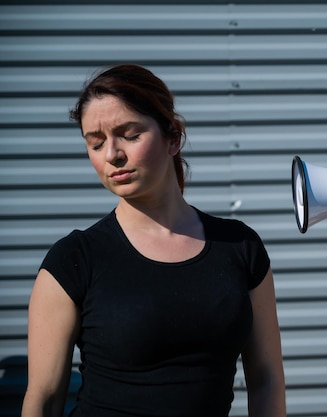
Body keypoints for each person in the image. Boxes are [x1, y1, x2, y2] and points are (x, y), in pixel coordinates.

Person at [21, 64, 286, 417]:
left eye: (129, 135)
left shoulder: (239, 247)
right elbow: (43, 399)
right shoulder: (73, 260)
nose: (112, 155)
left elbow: (266, 377)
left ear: (173, 137)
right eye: (96, 143)